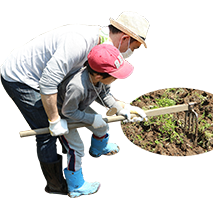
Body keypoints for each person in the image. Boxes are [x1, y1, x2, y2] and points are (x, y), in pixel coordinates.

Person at [0, 11, 150, 194]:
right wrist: (55, 120)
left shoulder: (103, 49)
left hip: (52, 82)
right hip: (22, 78)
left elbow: (99, 87)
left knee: (69, 123)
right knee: (47, 133)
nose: (130, 54)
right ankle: (58, 185)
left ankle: (83, 150)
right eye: (133, 49)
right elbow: (48, 82)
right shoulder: (79, 42)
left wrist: (121, 106)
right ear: (125, 38)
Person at [57, 43, 147, 198]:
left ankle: (98, 149)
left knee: (102, 125)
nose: (116, 79)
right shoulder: (77, 87)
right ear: (99, 75)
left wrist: (120, 108)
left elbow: (104, 94)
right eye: (114, 75)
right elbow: (68, 111)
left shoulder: (99, 78)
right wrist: (91, 119)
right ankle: (75, 184)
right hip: (63, 115)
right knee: (77, 147)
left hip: (80, 107)